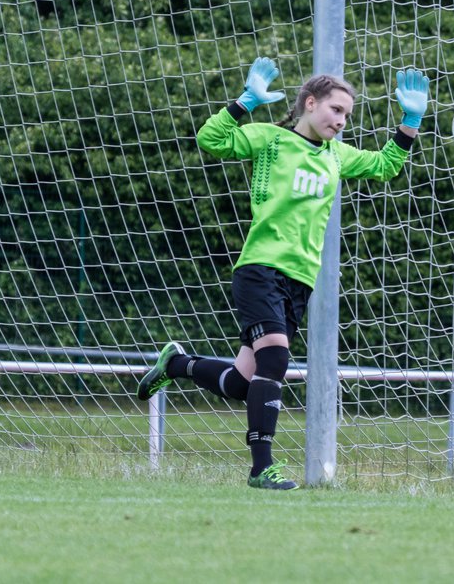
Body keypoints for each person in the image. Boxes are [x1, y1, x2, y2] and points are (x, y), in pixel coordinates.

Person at [136, 56, 429, 490]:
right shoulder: (270, 140)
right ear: (310, 103)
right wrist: (245, 102)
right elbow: (211, 138)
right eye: (336, 110)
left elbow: (386, 165)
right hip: (261, 267)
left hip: (300, 280)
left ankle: (175, 363)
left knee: (241, 382)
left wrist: (410, 121)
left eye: (348, 114)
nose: (343, 121)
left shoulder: (337, 156)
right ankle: (261, 468)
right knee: (276, 358)